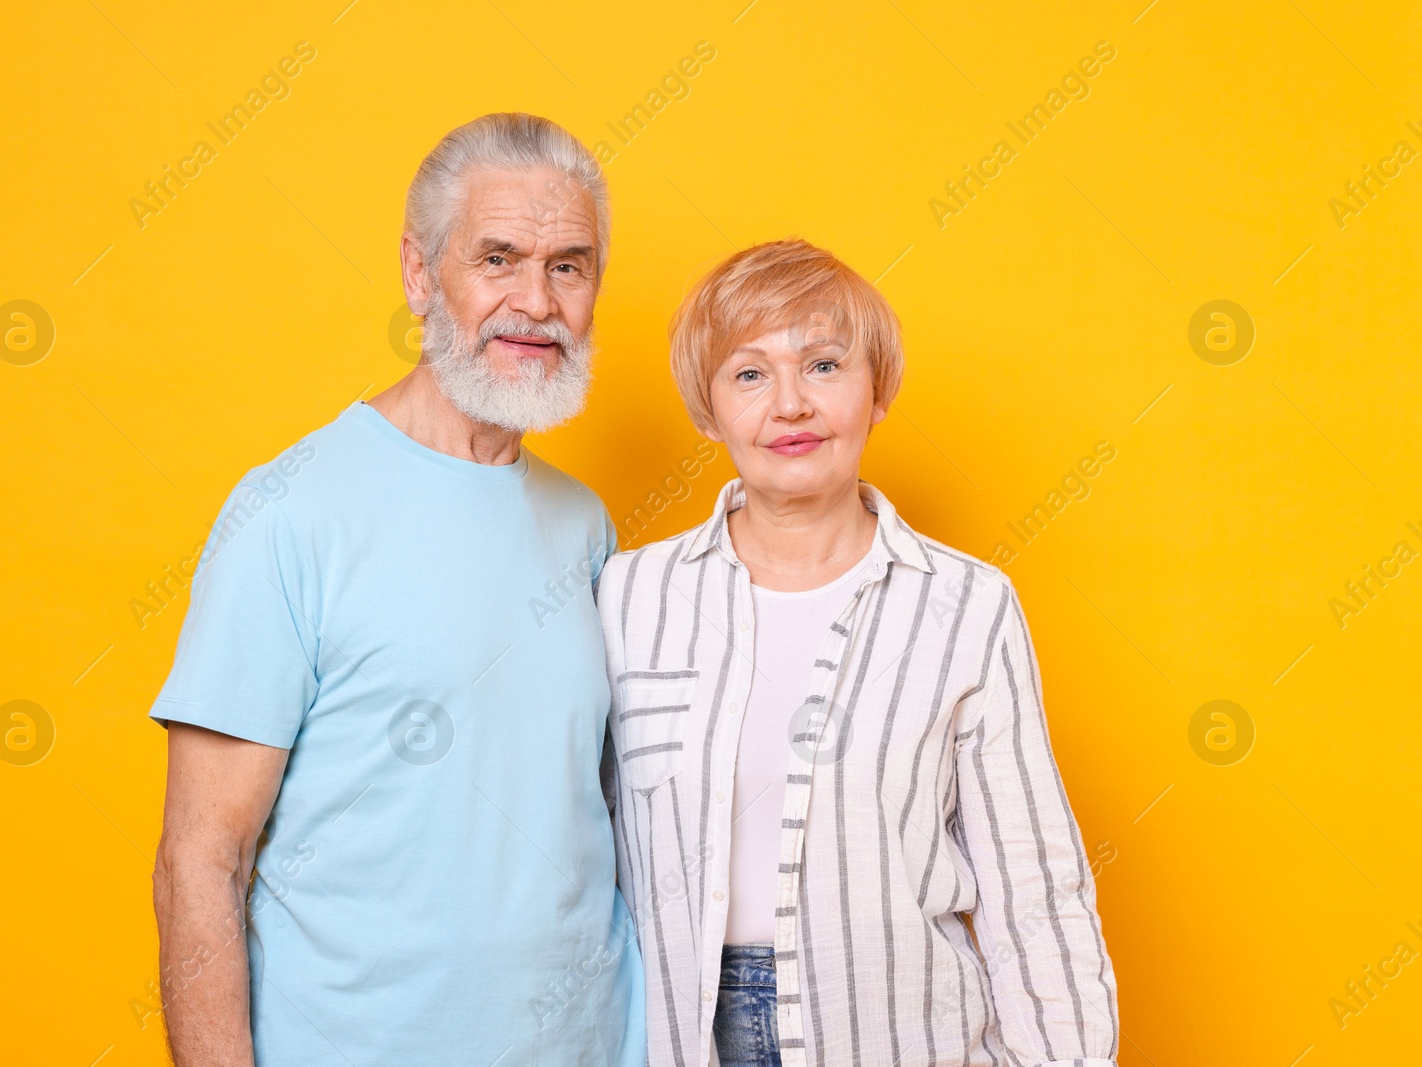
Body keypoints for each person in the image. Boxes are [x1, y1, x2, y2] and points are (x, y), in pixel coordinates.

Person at [149, 113, 645, 1067]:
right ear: (421, 275)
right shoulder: (289, 513)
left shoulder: (587, 528)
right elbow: (199, 861)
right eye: (497, 258)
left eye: (568, 266)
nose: (534, 302)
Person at [599, 239, 1119, 1067]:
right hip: (678, 1036)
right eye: (748, 374)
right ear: (706, 411)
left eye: (825, 364)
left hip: (901, 1034)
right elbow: (573, 858)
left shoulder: (967, 606)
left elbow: (1035, 887)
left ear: (877, 389)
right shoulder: (626, 598)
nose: (791, 404)